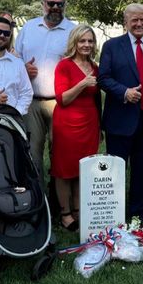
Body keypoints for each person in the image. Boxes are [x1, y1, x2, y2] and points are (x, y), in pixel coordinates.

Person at [98, 3, 143, 224]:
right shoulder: (112, 46)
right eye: (134, 20)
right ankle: (116, 215)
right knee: (117, 171)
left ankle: (138, 216)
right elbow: (103, 78)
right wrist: (124, 92)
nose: (139, 24)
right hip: (120, 120)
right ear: (125, 23)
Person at [15, 0, 76, 191]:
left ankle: (59, 199)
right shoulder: (29, 28)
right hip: (32, 101)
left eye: (60, 4)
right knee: (33, 153)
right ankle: (38, 199)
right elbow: (15, 59)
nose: (56, 7)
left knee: (59, 153)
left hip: (61, 103)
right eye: (51, 3)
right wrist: (23, 68)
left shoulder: (73, 31)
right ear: (43, 4)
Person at [50, 23, 100, 231]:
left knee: (83, 169)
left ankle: (80, 210)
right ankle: (65, 213)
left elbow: (97, 98)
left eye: (90, 41)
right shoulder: (64, 65)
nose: (86, 45)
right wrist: (82, 84)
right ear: (74, 42)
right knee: (64, 170)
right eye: (82, 41)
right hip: (67, 123)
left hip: (89, 123)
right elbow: (62, 99)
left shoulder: (95, 67)